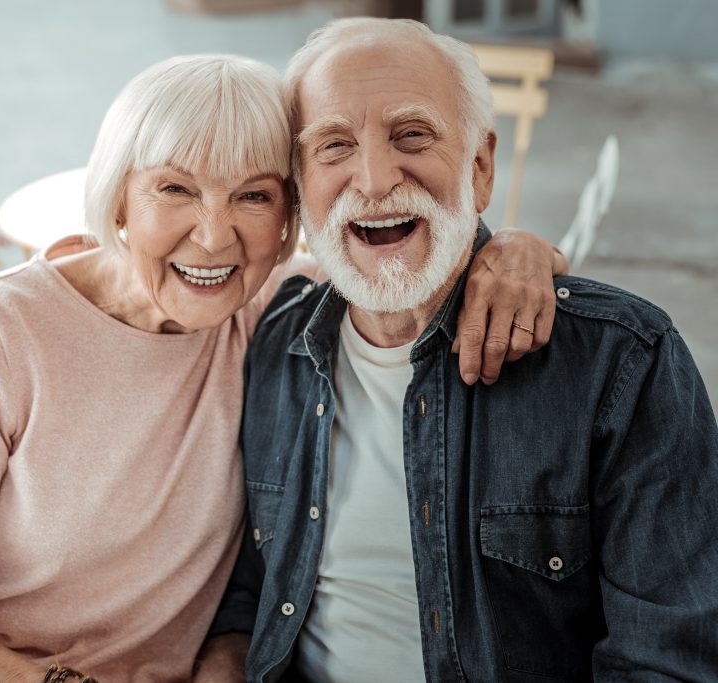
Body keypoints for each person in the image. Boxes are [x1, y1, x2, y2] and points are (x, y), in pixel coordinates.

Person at [0, 53, 565, 682]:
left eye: (253, 196)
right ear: (118, 199)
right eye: (174, 190)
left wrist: (514, 250)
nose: (212, 235)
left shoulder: (271, 308)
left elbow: (407, 261)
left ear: (291, 215)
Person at [208, 17, 718, 682]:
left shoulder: (619, 364)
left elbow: (671, 657)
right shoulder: (275, 342)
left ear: (480, 168)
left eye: (411, 135)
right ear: (301, 191)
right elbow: (252, 583)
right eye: (334, 146)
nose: (373, 177)